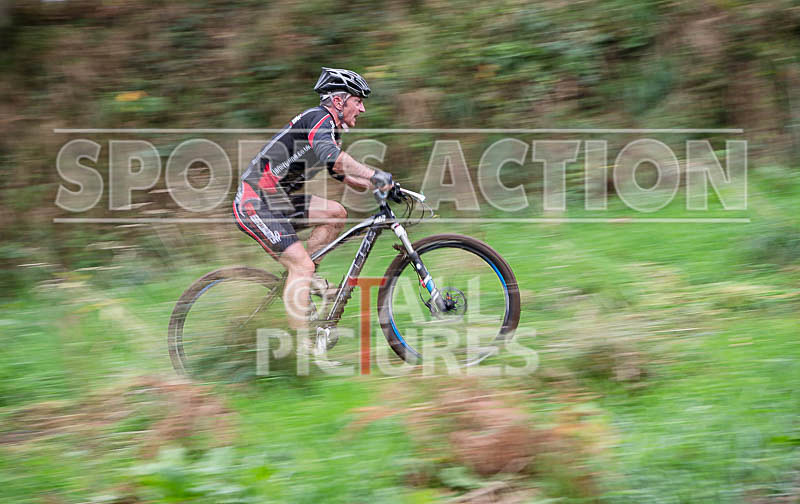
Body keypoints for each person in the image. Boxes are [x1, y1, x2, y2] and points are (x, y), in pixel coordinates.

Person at [233, 67, 393, 337]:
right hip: (255, 202)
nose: (363, 109)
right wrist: (375, 174)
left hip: (278, 202)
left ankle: (306, 281)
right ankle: (302, 349)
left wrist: (386, 186)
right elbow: (333, 157)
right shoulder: (318, 119)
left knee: (335, 213)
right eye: (358, 101)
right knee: (301, 265)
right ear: (339, 101)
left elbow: (341, 172)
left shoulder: (330, 129)